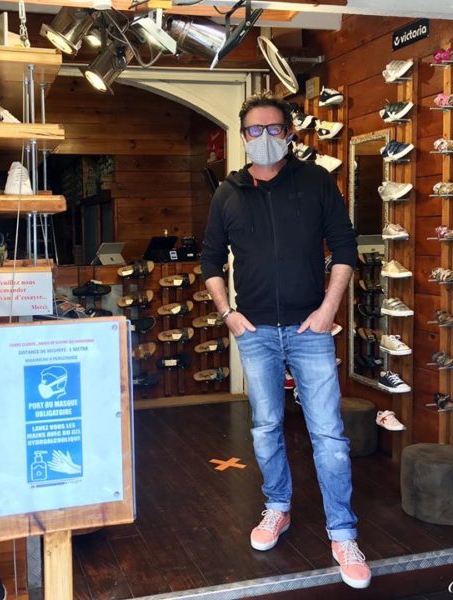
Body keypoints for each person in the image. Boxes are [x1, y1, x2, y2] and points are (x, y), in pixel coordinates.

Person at [200, 92, 371, 590]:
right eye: (254, 130)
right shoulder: (227, 193)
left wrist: (328, 310)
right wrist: (228, 314)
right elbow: (211, 259)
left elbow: (345, 247)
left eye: (274, 129)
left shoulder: (315, 182)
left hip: (309, 330)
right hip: (254, 332)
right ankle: (277, 506)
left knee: (330, 436)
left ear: (290, 134)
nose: (264, 138)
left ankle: (343, 533)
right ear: (243, 137)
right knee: (266, 427)